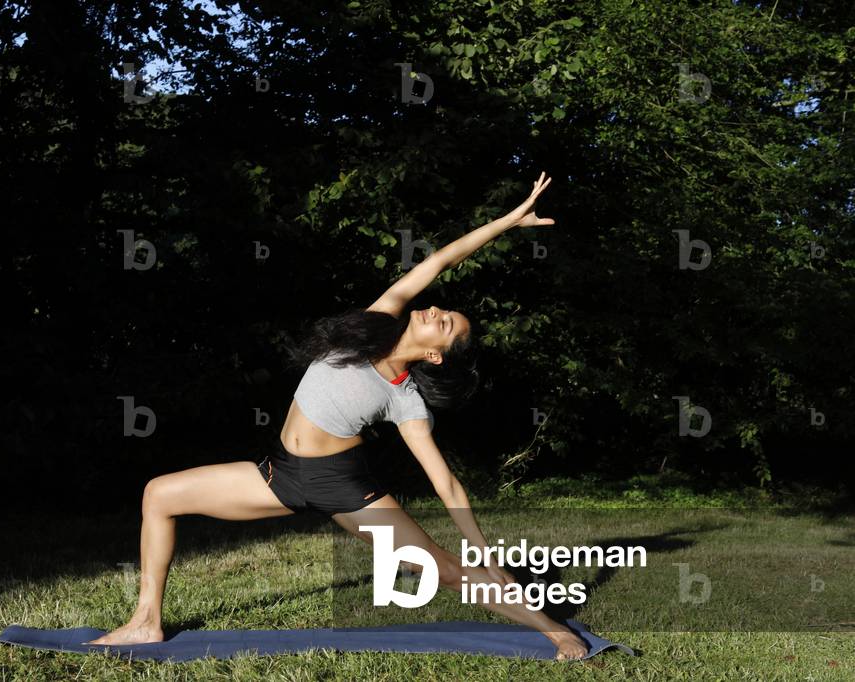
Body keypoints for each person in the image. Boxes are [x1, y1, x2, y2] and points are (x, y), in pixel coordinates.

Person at [86, 171, 588, 660]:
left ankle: (552, 631)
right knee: (160, 493)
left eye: (446, 323)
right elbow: (438, 262)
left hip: (343, 486)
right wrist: (507, 222)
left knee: (445, 571)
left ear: (436, 355)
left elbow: (446, 483)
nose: (435, 310)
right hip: (279, 474)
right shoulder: (376, 322)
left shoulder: (405, 398)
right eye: (442, 309)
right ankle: (146, 621)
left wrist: (482, 551)